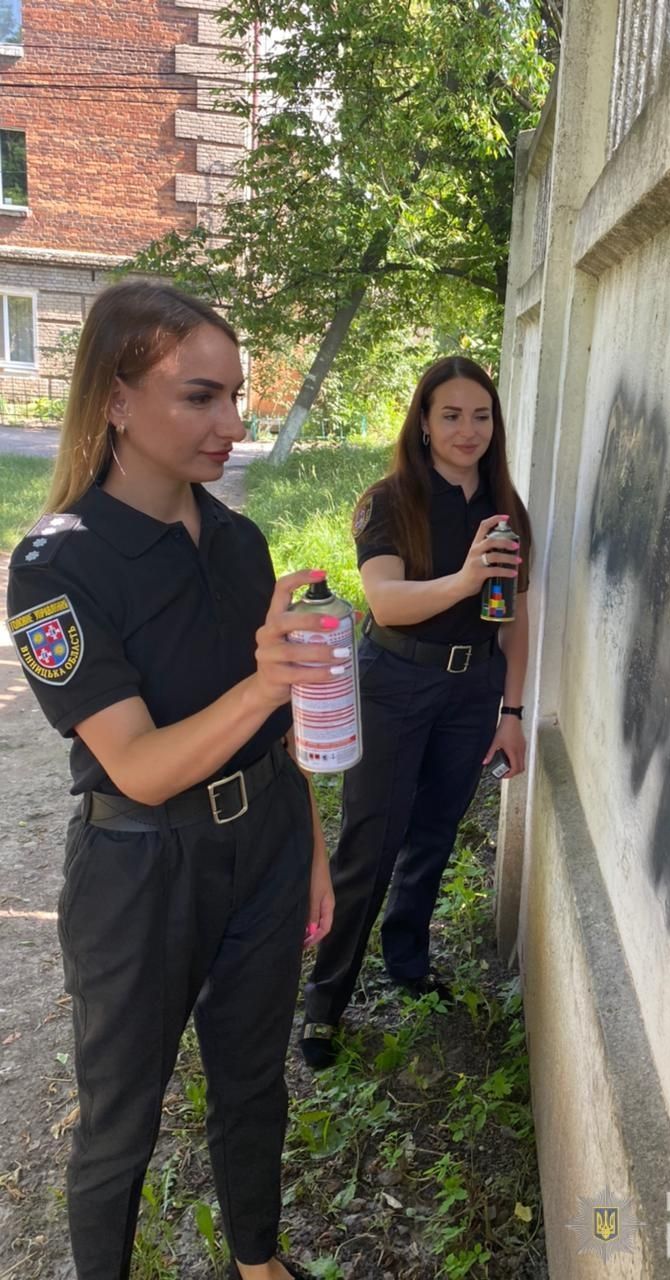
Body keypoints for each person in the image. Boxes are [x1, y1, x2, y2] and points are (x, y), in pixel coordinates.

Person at [5, 282, 338, 1280]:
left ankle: (258, 1261)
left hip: (266, 843)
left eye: (236, 395)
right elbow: (140, 765)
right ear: (115, 399)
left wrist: (311, 853)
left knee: (254, 1079)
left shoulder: (239, 540)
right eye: (200, 396)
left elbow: (280, 728)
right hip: (142, 867)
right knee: (120, 1120)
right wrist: (266, 677)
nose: (233, 424)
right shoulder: (53, 569)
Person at [300, 355, 530, 1069]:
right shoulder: (390, 501)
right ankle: (324, 1002)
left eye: (481, 415)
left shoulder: (506, 509)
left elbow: (515, 618)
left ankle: (407, 960)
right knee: (370, 843)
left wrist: (513, 709)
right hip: (395, 682)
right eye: (451, 415)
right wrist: (465, 578)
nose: (468, 430)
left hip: (472, 690)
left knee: (434, 833)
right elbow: (386, 601)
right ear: (423, 424)